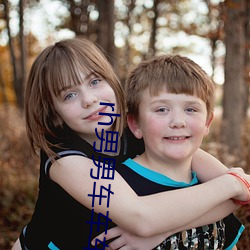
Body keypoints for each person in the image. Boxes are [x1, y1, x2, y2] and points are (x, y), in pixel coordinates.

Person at [11, 37, 250, 250]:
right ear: (54, 113)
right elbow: (142, 219)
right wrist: (232, 182)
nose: (89, 99)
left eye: (95, 82)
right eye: (69, 95)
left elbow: (239, 195)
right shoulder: (64, 158)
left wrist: (165, 230)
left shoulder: (134, 129)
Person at [93, 54, 249, 249]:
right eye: (161, 110)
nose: (178, 121)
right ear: (135, 124)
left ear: (207, 122)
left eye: (191, 109)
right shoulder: (119, 191)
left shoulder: (214, 189)